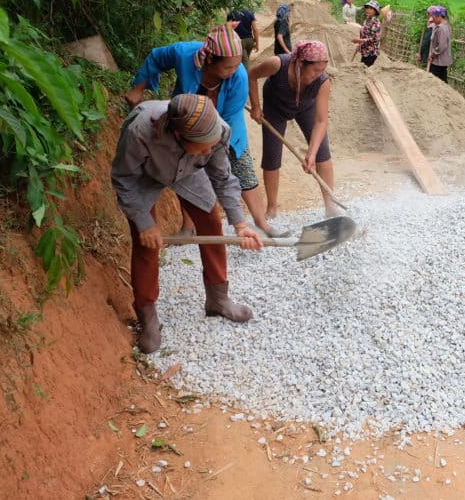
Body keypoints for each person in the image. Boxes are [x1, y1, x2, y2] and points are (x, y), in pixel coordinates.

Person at [111, 94, 264, 353]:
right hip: (143, 177)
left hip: (190, 172)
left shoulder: (218, 131)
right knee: (146, 242)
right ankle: (147, 314)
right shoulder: (140, 133)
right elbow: (123, 179)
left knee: (211, 222)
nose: (208, 151)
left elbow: (222, 178)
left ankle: (218, 298)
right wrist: (145, 223)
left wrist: (240, 224)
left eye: (211, 146)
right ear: (179, 137)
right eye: (203, 147)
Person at [124, 24, 288, 239]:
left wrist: (211, 147)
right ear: (210, 59)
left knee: (242, 170)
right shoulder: (185, 54)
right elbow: (156, 58)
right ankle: (188, 227)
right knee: (186, 171)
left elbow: (226, 121)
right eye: (228, 67)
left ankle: (261, 224)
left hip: (226, 129)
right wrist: (138, 88)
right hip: (186, 127)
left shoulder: (238, 77)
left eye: (238, 65)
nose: (234, 71)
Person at [247, 40, 340, 218]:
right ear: (301, 63)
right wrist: (256, 106)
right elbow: (252, 75)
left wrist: (311, 154)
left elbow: (321, 121)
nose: (319, 74)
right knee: (272, 155)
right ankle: (272, 207)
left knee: (322, 152)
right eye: (315, 70)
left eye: (322, 70)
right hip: (275, 108)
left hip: (306, 108)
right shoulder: (277, 64)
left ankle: (330, 205)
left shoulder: (322, 82)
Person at [352, 0, 382, 67]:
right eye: (367, 8)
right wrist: (360, 44)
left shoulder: (376, 23)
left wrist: (360, 40)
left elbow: (375, 39)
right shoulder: (366, 20)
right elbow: (364, 35)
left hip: (371, 52)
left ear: (375, 11)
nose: (368, 10)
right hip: (365, 50)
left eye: (371, 8)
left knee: (365, 70)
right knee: (363, 70)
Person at [427, 5, 452, 82]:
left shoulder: (442, 28)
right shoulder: (441, 26)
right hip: (438, 60)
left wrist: (432, 55)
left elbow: (441, 46)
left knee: (436, 81)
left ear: (439, 16)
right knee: (442, 81)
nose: (432, 18)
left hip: (439, 61)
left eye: (433, 16)